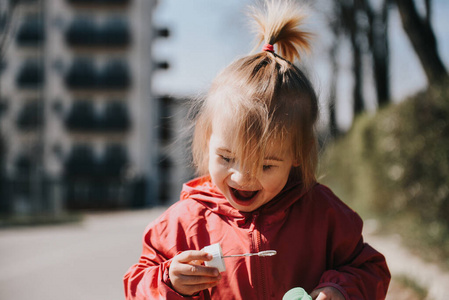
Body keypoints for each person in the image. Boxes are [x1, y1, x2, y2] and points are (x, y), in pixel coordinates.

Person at [123, 1, 391, 299]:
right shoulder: (183, 224)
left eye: (266, 165)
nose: (242, 177)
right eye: (226, 157)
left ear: (297, 157)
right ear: (207, 140)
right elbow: (137, 284)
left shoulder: (323, 214)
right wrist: (168, 281)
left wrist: (339, 290)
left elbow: (370, 270)